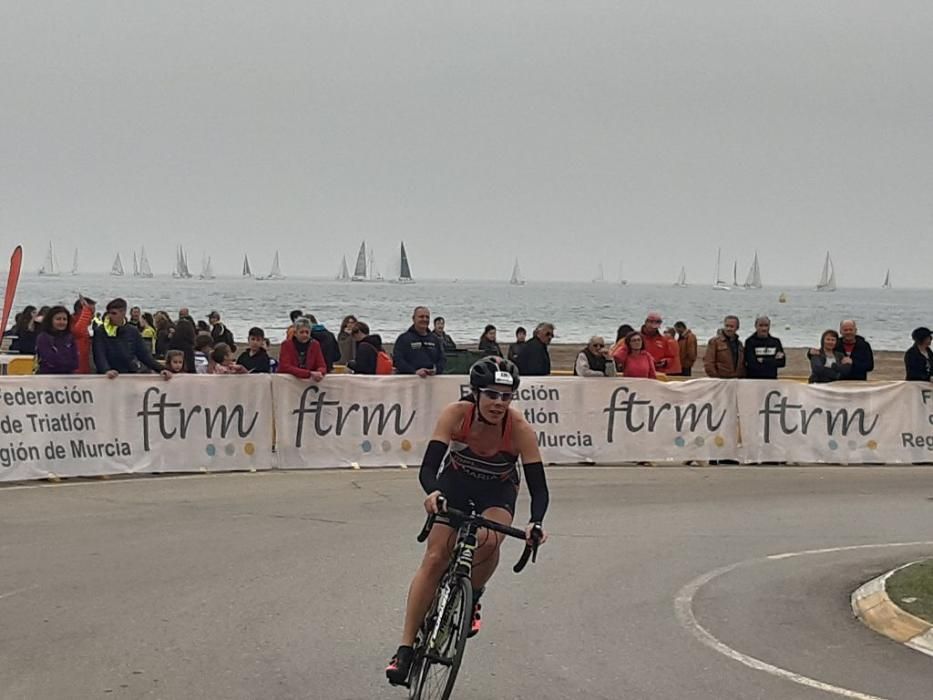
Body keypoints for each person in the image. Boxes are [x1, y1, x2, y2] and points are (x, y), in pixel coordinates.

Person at [384, 357, 549, 685]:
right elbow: (428, 468)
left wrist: (536, 522)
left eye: (506, 396)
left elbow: (539, 488)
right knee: (434, 559)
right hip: (455, 485)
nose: (499, 403)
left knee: (490, 539)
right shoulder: (457, 414)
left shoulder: (519, 429)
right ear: (475, 393)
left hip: (497, 490)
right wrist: (432, 492)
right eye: (491, 395)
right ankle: (404, 650)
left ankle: (473, 594)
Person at [93, 298, 170, 379]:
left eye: (114, 313)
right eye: (109, 313)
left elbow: (144, 355)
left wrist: (161, 369)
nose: (110, 316)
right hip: (108, 376)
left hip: (129, 373)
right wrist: (106, 370)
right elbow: (99, 354)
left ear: (123, 313)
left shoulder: (132, 331)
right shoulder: (100, 331)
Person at [393, 307, 446, 376]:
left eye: (427, 317)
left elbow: (442, 359)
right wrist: (414, 372)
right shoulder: (403, 339)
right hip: (410, 381)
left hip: (431, 380)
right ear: (413, 319)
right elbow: (398, 360)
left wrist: (436, 370)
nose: (425, 319)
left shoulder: (434, 339)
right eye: (421, 317)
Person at [278, 317, 326, 381]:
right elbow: (285, 366)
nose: (305, 335)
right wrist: (309, 373)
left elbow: (322, 365)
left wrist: (319, 372)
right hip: (288, 380)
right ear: (295, 333)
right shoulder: (286, 344)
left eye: (307, 332)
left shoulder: (315, 344)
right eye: (301, 332)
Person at [36, 306, 78, 374]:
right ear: (51, 320)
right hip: (48, 377)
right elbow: (49, 360)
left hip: (68, 377)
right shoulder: (43, 337)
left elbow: (75, 363)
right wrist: (64, 362)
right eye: (58, 319)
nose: (62, 322)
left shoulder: (70, 338)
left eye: (64, 319)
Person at [71, 296, 96, 374]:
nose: (93, 316)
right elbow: (78, 332)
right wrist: (87, 311)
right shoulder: (72, 323)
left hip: (84, 369)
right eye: (92, 312)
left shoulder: (84, 327)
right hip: (75, 371)